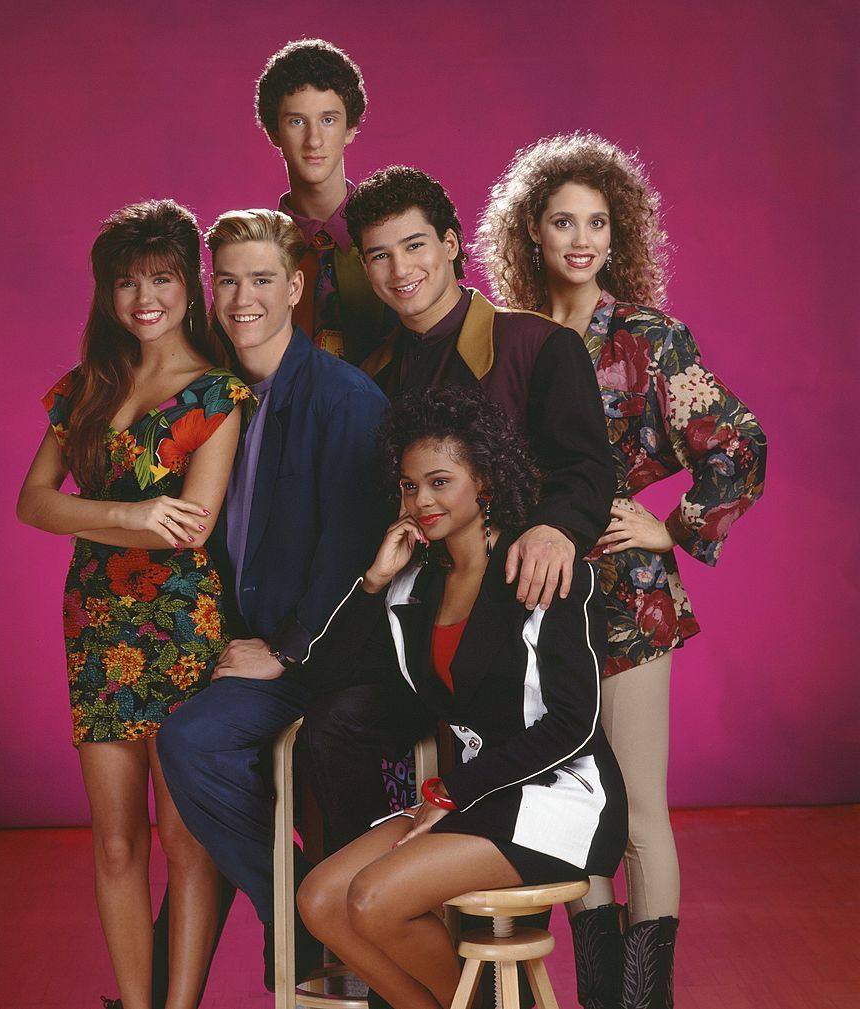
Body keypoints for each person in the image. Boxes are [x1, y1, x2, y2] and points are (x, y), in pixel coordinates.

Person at [476, 132, 767, 1008]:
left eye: (597, 222)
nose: (581, 239)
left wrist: (670, 529)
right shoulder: (511, 337)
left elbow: (738, 444)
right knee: (579, 817)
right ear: (532, 230)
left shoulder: (647, 336)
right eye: (563, 220)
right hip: (540, 601)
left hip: (632, 603)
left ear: (618, 231)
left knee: (638, 813)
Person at [301, 165, 615, 852]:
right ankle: (369, 914)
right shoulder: (374, 375)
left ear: (450, 244)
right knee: (328, 723)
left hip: (518, 624)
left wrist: (556, 529)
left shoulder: (536, 345)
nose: (399, 269)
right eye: (379, 255)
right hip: (423, 630)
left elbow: (588, 467)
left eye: (414, 245)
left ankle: (395, 905)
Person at [297, 385, 627, 1009]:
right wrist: (373, 581)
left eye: (440, 482)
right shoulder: (413, 591)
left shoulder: (542, 569)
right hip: (470, 794)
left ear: (486, 483)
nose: (421, 501)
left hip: (555, 798)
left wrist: (450, 792)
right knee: (320, 901)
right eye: (408, 486)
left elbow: (572, 725)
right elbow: (326, 676)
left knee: (371, 900)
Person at [17, 200, 251, 1009]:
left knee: (187, 843)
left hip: (184, 630)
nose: (143, 298)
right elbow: (31, 503)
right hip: (94, 628)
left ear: (190, 286)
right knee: (115, 842)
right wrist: (124, 515)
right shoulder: (86, 386)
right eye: (125, 283)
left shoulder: (217, 393)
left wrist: (105, 519)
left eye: (160, 278)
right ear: (105, 294)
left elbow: (190, 528)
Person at [154, 208, 389, 990]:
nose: (241, 296)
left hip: (324, 655)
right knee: (189, 741)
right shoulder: (218, 394)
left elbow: (353, 551)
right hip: (251, 645)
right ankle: (295, 908)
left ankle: (313, 920)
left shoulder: (344, 398)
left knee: (211, 741)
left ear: (294, 286)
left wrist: (285, 648)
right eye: (227, 279)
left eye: (261, 279)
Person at [256, 38, 394, 363]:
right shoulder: (252, 252)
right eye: (297, 121)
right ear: (274, 132)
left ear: (350, 128)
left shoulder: (395, 239)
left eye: (328, 120)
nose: (314, 139)